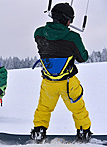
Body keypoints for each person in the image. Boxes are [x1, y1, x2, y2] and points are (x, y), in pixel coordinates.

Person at [30, 3, 92, 143]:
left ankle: (39, 130)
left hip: (48, 82)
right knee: (78, 108)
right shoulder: (72, 37)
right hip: (68, 83)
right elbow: (83, 58)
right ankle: (83, 132)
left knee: (44, 108)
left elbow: (49, 41)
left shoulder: (39, 33)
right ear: (67, 20)